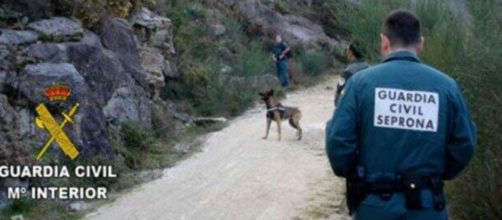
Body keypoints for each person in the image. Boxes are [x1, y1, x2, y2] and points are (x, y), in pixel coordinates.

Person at [325, 10, 476, 220]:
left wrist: (355, 173)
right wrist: (438, 174)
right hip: (428, 206)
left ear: (384, 42)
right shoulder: (447, 87)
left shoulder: (361, 83)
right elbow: (464, 144)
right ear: (421, 43)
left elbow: (338, 143)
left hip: (374, 206)